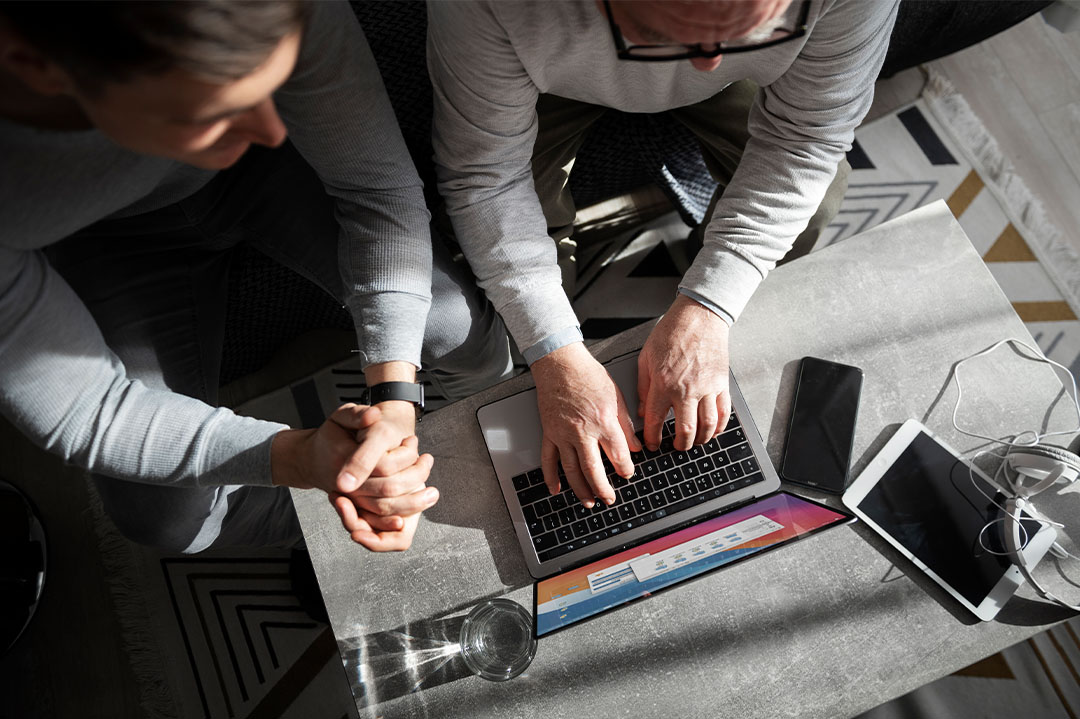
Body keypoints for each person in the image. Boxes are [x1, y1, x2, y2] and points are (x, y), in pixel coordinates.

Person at [0, 1, 512, 555]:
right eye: (213, 111)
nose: (270, 128)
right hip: (108, 240)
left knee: (453, 327)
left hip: (277, 176)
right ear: (37, 65)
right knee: (165, 522)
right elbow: (85, 410)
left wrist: (394, 395)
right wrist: (301, 459)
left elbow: (376, 189)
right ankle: (347, 521)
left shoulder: (275, 10)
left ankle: (490, 431)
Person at [428, 0, 898, 508]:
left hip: (729, 89)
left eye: (754, 31)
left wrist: (709, 303)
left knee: (819, 202)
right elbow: (486, 180)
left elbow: (806, 142)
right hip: (548, 82)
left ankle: (698, 280)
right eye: (675, 34)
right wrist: (554, 351)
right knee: (516, 276)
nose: (708, 62)